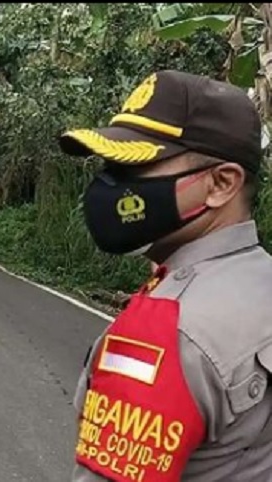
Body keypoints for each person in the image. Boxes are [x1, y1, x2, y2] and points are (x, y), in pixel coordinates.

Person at [60, 70, 272, 480]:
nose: (107, 187)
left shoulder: (161, 335)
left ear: (221, 183)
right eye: (108, 167)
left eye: (133, 168)